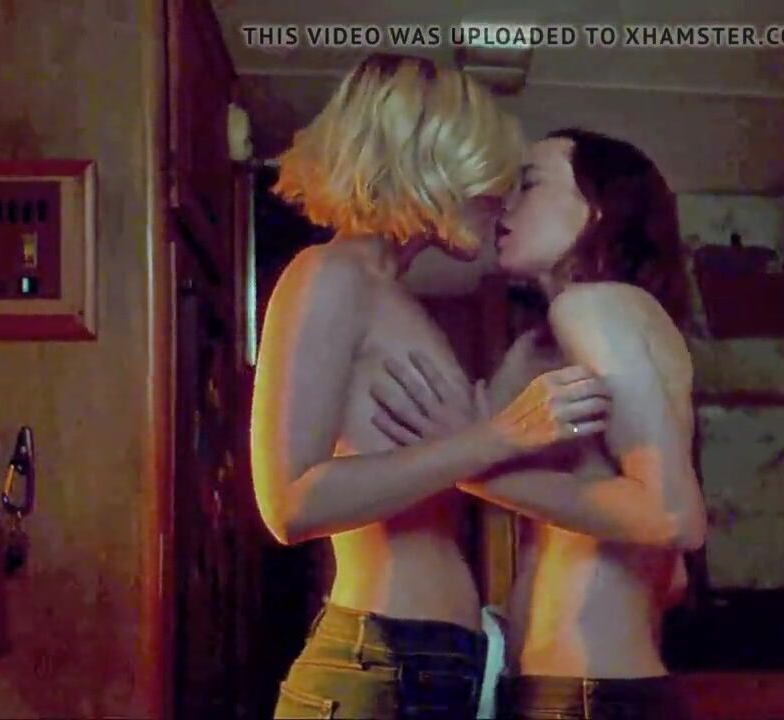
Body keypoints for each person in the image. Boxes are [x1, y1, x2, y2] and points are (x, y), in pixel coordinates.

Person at [251, 55, 617, 719]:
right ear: (432, 167)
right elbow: (290, 504)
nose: (499, 202)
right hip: (381, 660)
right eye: (489, 178)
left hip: (432, 662)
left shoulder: (391, 295)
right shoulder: (329, 273)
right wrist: (496, 436)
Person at [370, 128, 707, 719]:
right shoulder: (536, 344)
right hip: (550, 686)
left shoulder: (597, 306)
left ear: (597, 209)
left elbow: (675, 518)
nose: (506, 205)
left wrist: (472, 469)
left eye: (529, 184)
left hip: (595, 695)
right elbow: (670, 576)